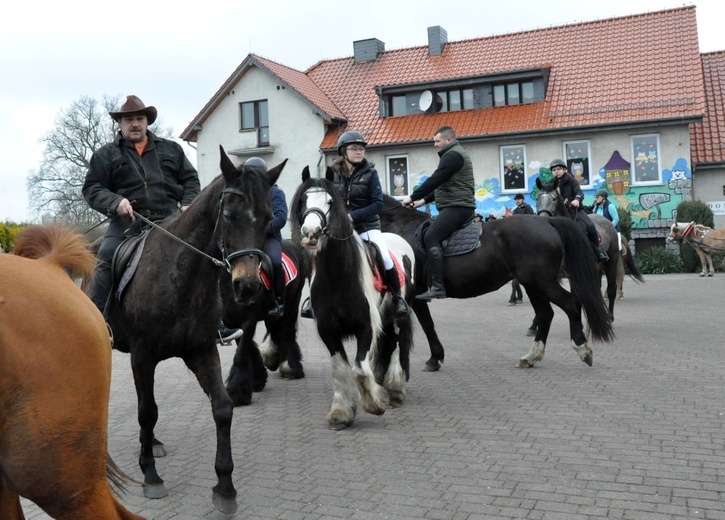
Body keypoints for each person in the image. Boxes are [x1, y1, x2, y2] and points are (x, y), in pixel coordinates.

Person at [83, 95, 201, 316]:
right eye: (129, 119)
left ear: (147, 122)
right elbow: (92, 188)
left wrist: (188, 204)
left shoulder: (172, 150)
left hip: (171, 219)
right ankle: (98, 320)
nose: (135, 123)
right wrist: (116, 201)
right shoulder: (105, 155)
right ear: (120, 123)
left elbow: (191, 181)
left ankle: (217, 322)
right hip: (126, 225)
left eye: (139, 118)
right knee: (105, 256)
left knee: (203, 253)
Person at [330, 130, 408, 318]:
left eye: (361, 148)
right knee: (321, 254)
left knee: (385, 257)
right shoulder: (333, 175)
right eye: (354, 148)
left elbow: (377, 204)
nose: (359, 152)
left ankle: (397, 297)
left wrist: (353, 216)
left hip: (367, 227)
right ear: (343, 152)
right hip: (341, 228)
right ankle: (314, 300)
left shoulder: (371, 174)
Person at [401, 126, 475, 299]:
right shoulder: (453, 154)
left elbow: (435, 179)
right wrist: (423, 201)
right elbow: (443, 186)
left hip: (458, 207)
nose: (435, 145)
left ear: (448, 140)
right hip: (456, 204)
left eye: (437, 141)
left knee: (431, 236)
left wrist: (411, 197)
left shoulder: (453, 156)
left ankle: (437, 286)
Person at [245, 157, 288, 318]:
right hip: (246, 239)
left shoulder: (276, 192)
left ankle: (279, 302)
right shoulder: (244, 194)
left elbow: (281, 218)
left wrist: (262, 231)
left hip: (269, 237)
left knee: (275, 262)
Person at [545, 159, 609, 263]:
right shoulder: (551, 184)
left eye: (559, 169)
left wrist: (577, 199)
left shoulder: (572, 180)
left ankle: (598, 252)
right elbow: (545, 194)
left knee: (590, 226)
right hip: (558, 213)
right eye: (554, 170)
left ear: (564, 169)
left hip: (575, 210)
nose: (556, 171)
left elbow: (579, 192)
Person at [508, 193, 533, 305]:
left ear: (522, 200)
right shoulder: (515, 210)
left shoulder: (528, 208)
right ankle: (518, 296)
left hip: (527, 238)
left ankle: (515, 296)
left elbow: (530, 223)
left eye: (519, 199)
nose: (517, 201)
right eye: (516, 199)